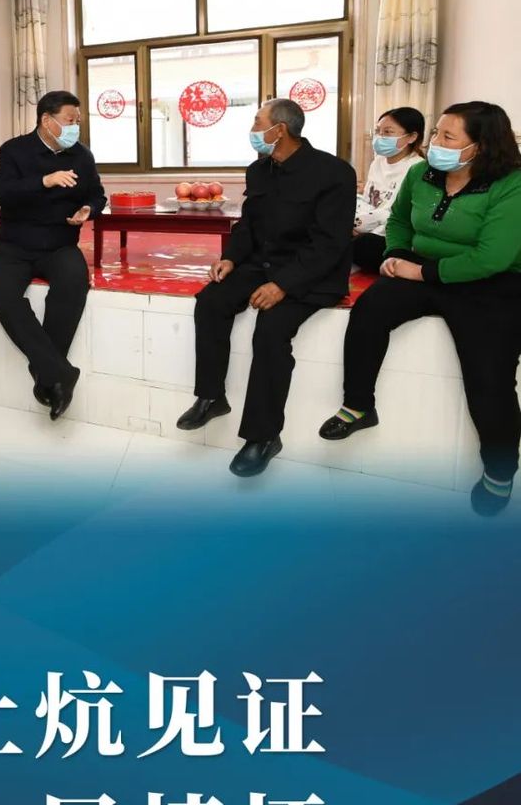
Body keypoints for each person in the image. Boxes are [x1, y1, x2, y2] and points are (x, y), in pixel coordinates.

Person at [318, 100, 521, 517]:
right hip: (422, 268)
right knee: (369, 310)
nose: (436, 143)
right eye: (435, 134)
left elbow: (492, 257)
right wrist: (395, 254)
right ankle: (359, 405)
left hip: (490, 282)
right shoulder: (421, 174)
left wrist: (421, 273)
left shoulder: (511, 184)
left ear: (482, 145)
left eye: (448, 136)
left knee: (490, 376)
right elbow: (399, 222)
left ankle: (500, 468)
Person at [177, 98, 357, 477]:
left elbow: (330, 244)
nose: (253, 130)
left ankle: (263, 436)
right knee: (211, 300)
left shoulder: (334, 173)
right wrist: (231, 258)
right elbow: (248, 226)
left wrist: (283, 285)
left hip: (312, 274)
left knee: (271, 330)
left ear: (280, 130)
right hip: (264, 264)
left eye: (258, 123)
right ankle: (211, 396)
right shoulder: (259, 170)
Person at [0, 90, 106, 420]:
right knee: (3, 295)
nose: (75, 127)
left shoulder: (82, 155)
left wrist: (88, 209)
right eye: (70, 120)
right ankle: (61, 373)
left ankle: (48, 374)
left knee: (73, 283)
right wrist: (45, 180)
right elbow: (3, 194)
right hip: (14, 245)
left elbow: (98, 195)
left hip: (59, 243)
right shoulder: (14, 150)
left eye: (78, 121)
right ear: (46, 120)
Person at [352, 107, 426, 273]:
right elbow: (369, 201)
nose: (380, 137)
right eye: (378, 131)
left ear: (412, 137)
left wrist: (358, 225)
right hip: (367, 224)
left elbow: (398, 216)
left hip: (390, 235)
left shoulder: (417, 168)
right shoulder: (378, 161)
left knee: (363, 245)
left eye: (387, 132)